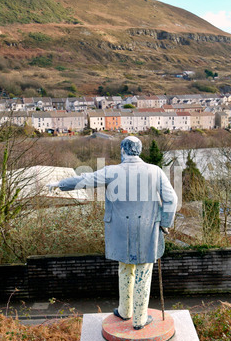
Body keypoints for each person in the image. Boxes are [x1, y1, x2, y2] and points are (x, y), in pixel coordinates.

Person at [47, 136, 177, 330]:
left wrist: (60, 184)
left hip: (120, 231)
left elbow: (84, 180)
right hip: (147, 230)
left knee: (125, 269)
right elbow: (171, 200)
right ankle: (140, 319)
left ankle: (125, 311)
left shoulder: (112, 171)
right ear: (139, 151)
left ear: (122, 151)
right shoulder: (155, 171)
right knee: (143, 272)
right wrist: (165, 223)